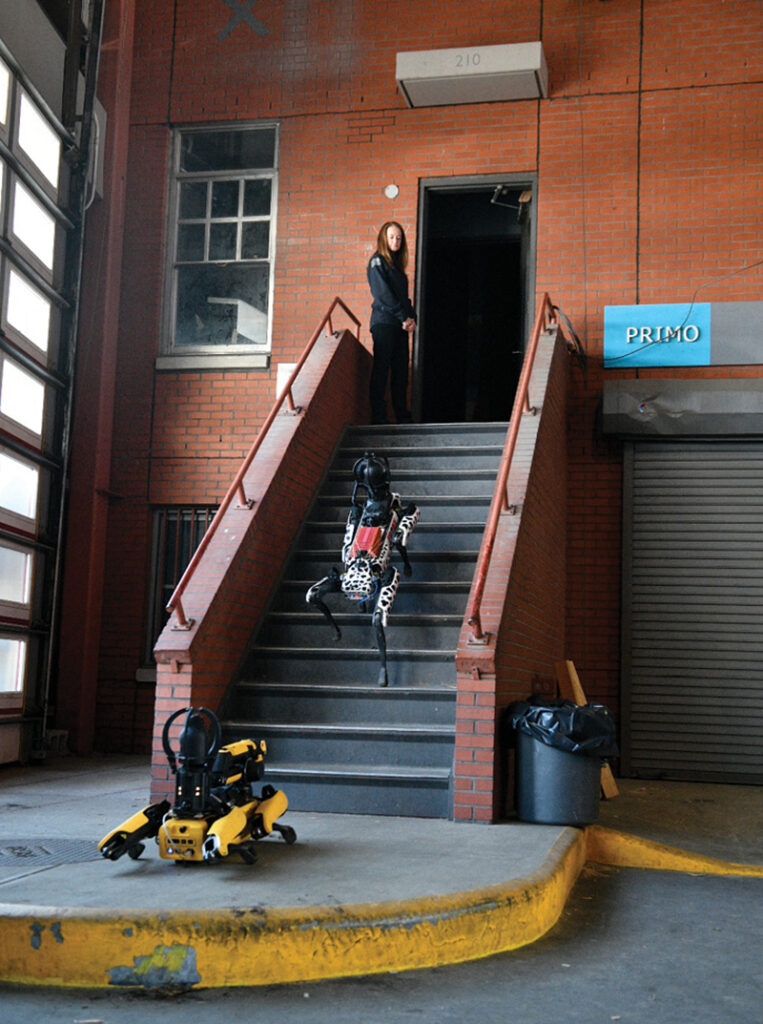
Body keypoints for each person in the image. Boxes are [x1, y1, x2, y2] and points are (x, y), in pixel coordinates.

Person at [366, 221, 416, 424]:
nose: (396, 241)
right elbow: (383, 295)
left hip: (400, 326)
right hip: (384, 323)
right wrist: (403, 316)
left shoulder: (398, 269)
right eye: (392, 237)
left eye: (399, 237)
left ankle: (402, 416)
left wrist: (412, 318)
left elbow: (404, 299)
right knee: (382, 368)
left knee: (401, 372)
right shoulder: (377, 261)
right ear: (383, 239)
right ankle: (379, 417)